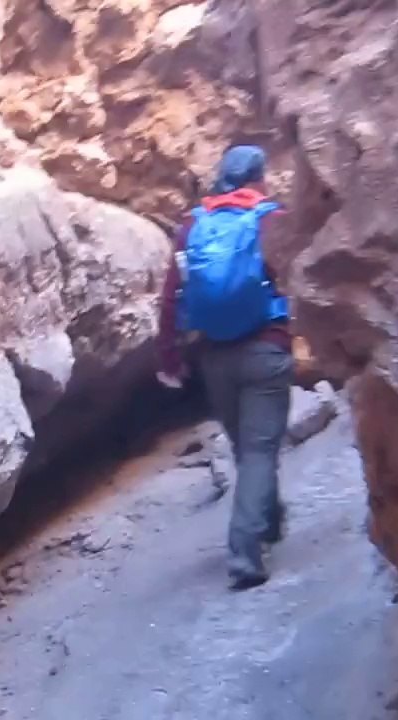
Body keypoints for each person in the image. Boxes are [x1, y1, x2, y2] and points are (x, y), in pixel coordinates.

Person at [156, 144, 294, 590]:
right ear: (256, 179)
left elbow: (171, 296)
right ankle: (244, 553)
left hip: (214, 356)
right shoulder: (269, 216)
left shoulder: (193, 225)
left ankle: (269, 520)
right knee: (259, 451)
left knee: (247, 449)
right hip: (265, 349)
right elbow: (296, 273)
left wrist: (169, 356)